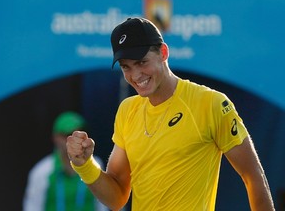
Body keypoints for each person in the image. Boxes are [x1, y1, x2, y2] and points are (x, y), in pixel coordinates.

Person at [66, 18, 275, 210]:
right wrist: (84, 165)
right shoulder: (128, 109)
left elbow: (253, 176)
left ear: (163, 53)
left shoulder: (210, 103)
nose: (136, 75)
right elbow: (117, 197)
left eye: (142, 62)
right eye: (126, 67)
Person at [23, 111, 108, 211]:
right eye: (69, 135)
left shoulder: (96, 164)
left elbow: (103, 205)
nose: (77, 141)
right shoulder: (42, 171)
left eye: (81, 135)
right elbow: (32, 207)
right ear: (56, 138)